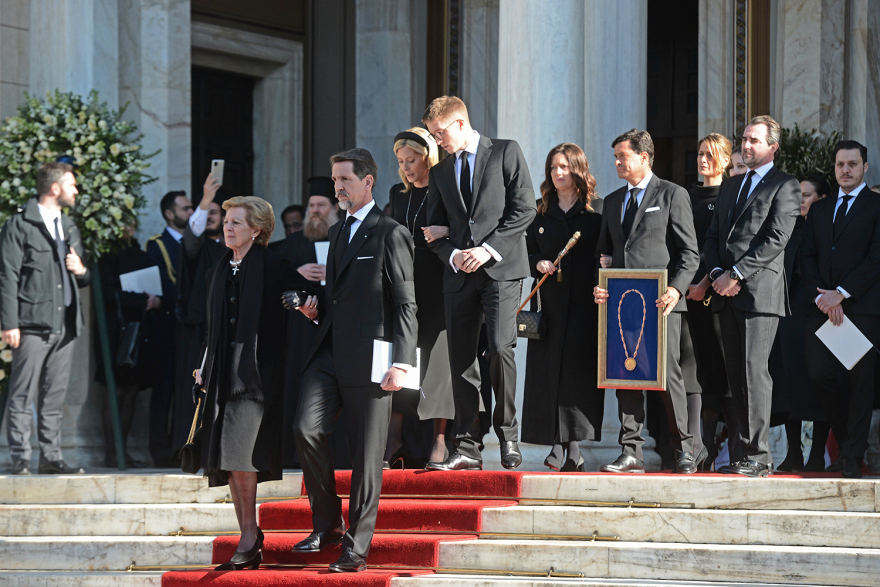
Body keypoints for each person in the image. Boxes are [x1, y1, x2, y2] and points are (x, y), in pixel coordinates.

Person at [292, 148, 417, 573]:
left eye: (344, 179)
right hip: (329, 351)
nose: (338, 187)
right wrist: (314, 312)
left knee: (366, 456)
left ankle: (356, 548)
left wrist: (403, 362)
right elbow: (337, 298)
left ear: (368, 181)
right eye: (334, 180)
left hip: (373, 359)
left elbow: (406, 303)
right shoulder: (337, 230)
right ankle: (328, 523)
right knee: (305, 428)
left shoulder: (391, 232)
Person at [422, 95, 536, 471]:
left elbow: (525, 209)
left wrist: (487, 250)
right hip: (459, 276)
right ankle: (468, 446)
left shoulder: (505, 151)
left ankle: (508, 436)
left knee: (500, 349)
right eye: (432, 134)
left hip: (501, 269)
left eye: (439, 132)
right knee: (462, 359)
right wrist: (454, 254)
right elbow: (433, 232)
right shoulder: (440, 171)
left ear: (459, 123)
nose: (437, 140)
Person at [195, 195, 305, 571]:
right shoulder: (219, 267)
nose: (227, 227)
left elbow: (308, 296)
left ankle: (248, 535)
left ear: (256, 230)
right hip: (221, 373)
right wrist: (203, 366)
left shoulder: (274, 264)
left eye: (236, 222)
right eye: (226, 221)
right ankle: (249, 533)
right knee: (227, 458)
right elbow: (213, 328)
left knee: (241, 454)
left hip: (255, 376)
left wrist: (302, 299)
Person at [593, 129, 700, 474]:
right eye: (615, 157)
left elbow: (690, 254)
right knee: (625, 373)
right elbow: (604, 253)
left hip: (661, 303)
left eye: (622, 156)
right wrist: (600, 284)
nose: (617, 162)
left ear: (644, 157)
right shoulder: (612, 202)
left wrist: (677, 289)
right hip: (621, 303)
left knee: (667, 376)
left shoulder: (672, 194)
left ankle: (685, 449)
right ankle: (631, 452)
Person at [704, 114, 801, 477]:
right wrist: (717, 274)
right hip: (725, 291)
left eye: (754, 140)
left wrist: (736, 274)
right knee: (736, 377)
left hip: (759, 294)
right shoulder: (731, 185)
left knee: (753, 373)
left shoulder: (785, 185)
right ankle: (744, 454)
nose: (745, 145)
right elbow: (714, 236)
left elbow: (776, 239)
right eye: (744, 139)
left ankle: (759, 457)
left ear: (772, 147)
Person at [0, 161, 90, 475]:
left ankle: (51, 458)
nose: (76, 190)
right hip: (30, 324)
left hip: (65, 324)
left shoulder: (69, 226)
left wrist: (82, 270)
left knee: (54, 395)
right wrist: (9, 323)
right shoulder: (20, 225)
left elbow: (83, 276)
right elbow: (7, 276)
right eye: (71, 184)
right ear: (55, 188)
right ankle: (21, 459)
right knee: (22, 392)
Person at [800, 141, 880, 478]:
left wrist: (842, 295)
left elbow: (876, 258)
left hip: (861, 308)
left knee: (861, 385)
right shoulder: (820, 209)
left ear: (864, 167)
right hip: (823, 309)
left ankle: (851, 460)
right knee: (819, 374)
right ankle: (849, 444)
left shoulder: (876, 205)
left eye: (852, 164)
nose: (845, 170)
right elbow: (807, 255)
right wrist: (824, 297)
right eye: (840, 165)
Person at [523, 143, 604, 472]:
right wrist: (538, 262)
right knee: (547, 372)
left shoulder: (596, 211)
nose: (557, 173)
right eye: (553, 167)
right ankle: (559, 445)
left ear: (577, 170)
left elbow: (606, 254)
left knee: (576, 375)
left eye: (564, 167)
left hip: (586, 304)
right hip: (549, 305)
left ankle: (573, 447)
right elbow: (524, 252)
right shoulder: (540, 211)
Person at [387, 127, 454, 468]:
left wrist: (447, 231)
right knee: (403, 355)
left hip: (439, 285)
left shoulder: (447, 190)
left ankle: (440, 440)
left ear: (428, 157)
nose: (406, 168)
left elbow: (467, 228)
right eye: (401, 162)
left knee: (438, 362)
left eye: (411, 160)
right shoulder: (397, 194)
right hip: (404, 284)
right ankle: (395, 437)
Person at [276, 178, 349, 470]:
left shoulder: (346, 235)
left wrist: (330, 277)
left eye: (321, 205)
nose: (315, 211)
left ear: (334, 208)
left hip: (338, 329)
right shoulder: (292, 243)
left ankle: (340, 456)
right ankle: (296, 455)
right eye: (311, 206)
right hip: (300, 334)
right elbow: (273, 280)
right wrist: (298, 272)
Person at [774, 174, 831, 472]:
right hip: (788, 315)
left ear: (822, 199)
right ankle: (793, 453)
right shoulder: (788, 228)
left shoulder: (830, 229)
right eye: (798, 195)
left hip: (822, 315)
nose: (800, 200)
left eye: (807, 195)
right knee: (789, 384)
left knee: (820, 383)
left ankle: (817, 454)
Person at [684, 133, 733, 470]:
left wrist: (704, 283)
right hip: (686, 296)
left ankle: (727, 446)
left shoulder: (730, 196)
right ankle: (697, 448)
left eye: (711, 155)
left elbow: (723, 247)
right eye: (700, 154)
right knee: (695, 371)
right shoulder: (685, 197)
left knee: (721, 372)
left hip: (718, 296)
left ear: (725, 161)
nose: (703, 160)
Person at [96, 222, 161, 468]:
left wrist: (156, 300)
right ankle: (112, 453)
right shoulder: (107, 255)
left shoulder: (140, 254)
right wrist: (141, 299)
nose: (129, 227)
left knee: (132, 389)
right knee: (116, 389)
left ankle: (121, 451)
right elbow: (106, 293)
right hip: (116, 332)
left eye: (132, 222)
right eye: (123, 222)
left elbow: (155, 286)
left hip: (140, 329)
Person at [171, 175, 227, 456]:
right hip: (199, 331)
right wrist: (206, 200)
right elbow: (192, 237)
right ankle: (191, 450)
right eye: (208, 213)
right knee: (196, 391)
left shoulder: (234, 249)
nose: (212, 217)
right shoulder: (197, 248)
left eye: (217, 213)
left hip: (228, 331)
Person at [145, 190, 193, 466]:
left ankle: (182, 446)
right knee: (164, 391)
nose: (190, 213)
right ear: (169, 214)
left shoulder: (196, 242)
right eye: (185, 208)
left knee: (187, 390)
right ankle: (160, 449)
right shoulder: (158, 245)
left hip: (189, 327)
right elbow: (163, 284)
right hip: (167, 328)